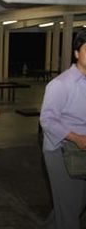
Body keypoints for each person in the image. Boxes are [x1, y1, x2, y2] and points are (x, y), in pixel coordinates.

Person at [40, 29, 86, 229]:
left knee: (75, 204)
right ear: (77, 53)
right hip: (61, 150)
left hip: (81, 148)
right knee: (69, 208)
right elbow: (47, 120)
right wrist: (75, 137)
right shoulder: (61, 84)